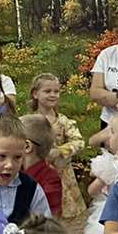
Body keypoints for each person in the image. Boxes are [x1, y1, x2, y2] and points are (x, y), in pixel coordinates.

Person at [27, 74, 86, 221]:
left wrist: (59, 151)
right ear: (35, 94)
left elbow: (79, 142)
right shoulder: (30, 121)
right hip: (38, 174)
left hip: (63, 175)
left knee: (67, 217)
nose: (53, 95)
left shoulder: (63, 121)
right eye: (47, 91)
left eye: (56, 91)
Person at [0, 114, 52, 224]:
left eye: (17, 157)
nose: (10, 165)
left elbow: (45, 228)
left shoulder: (30, 189)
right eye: (2, 156)